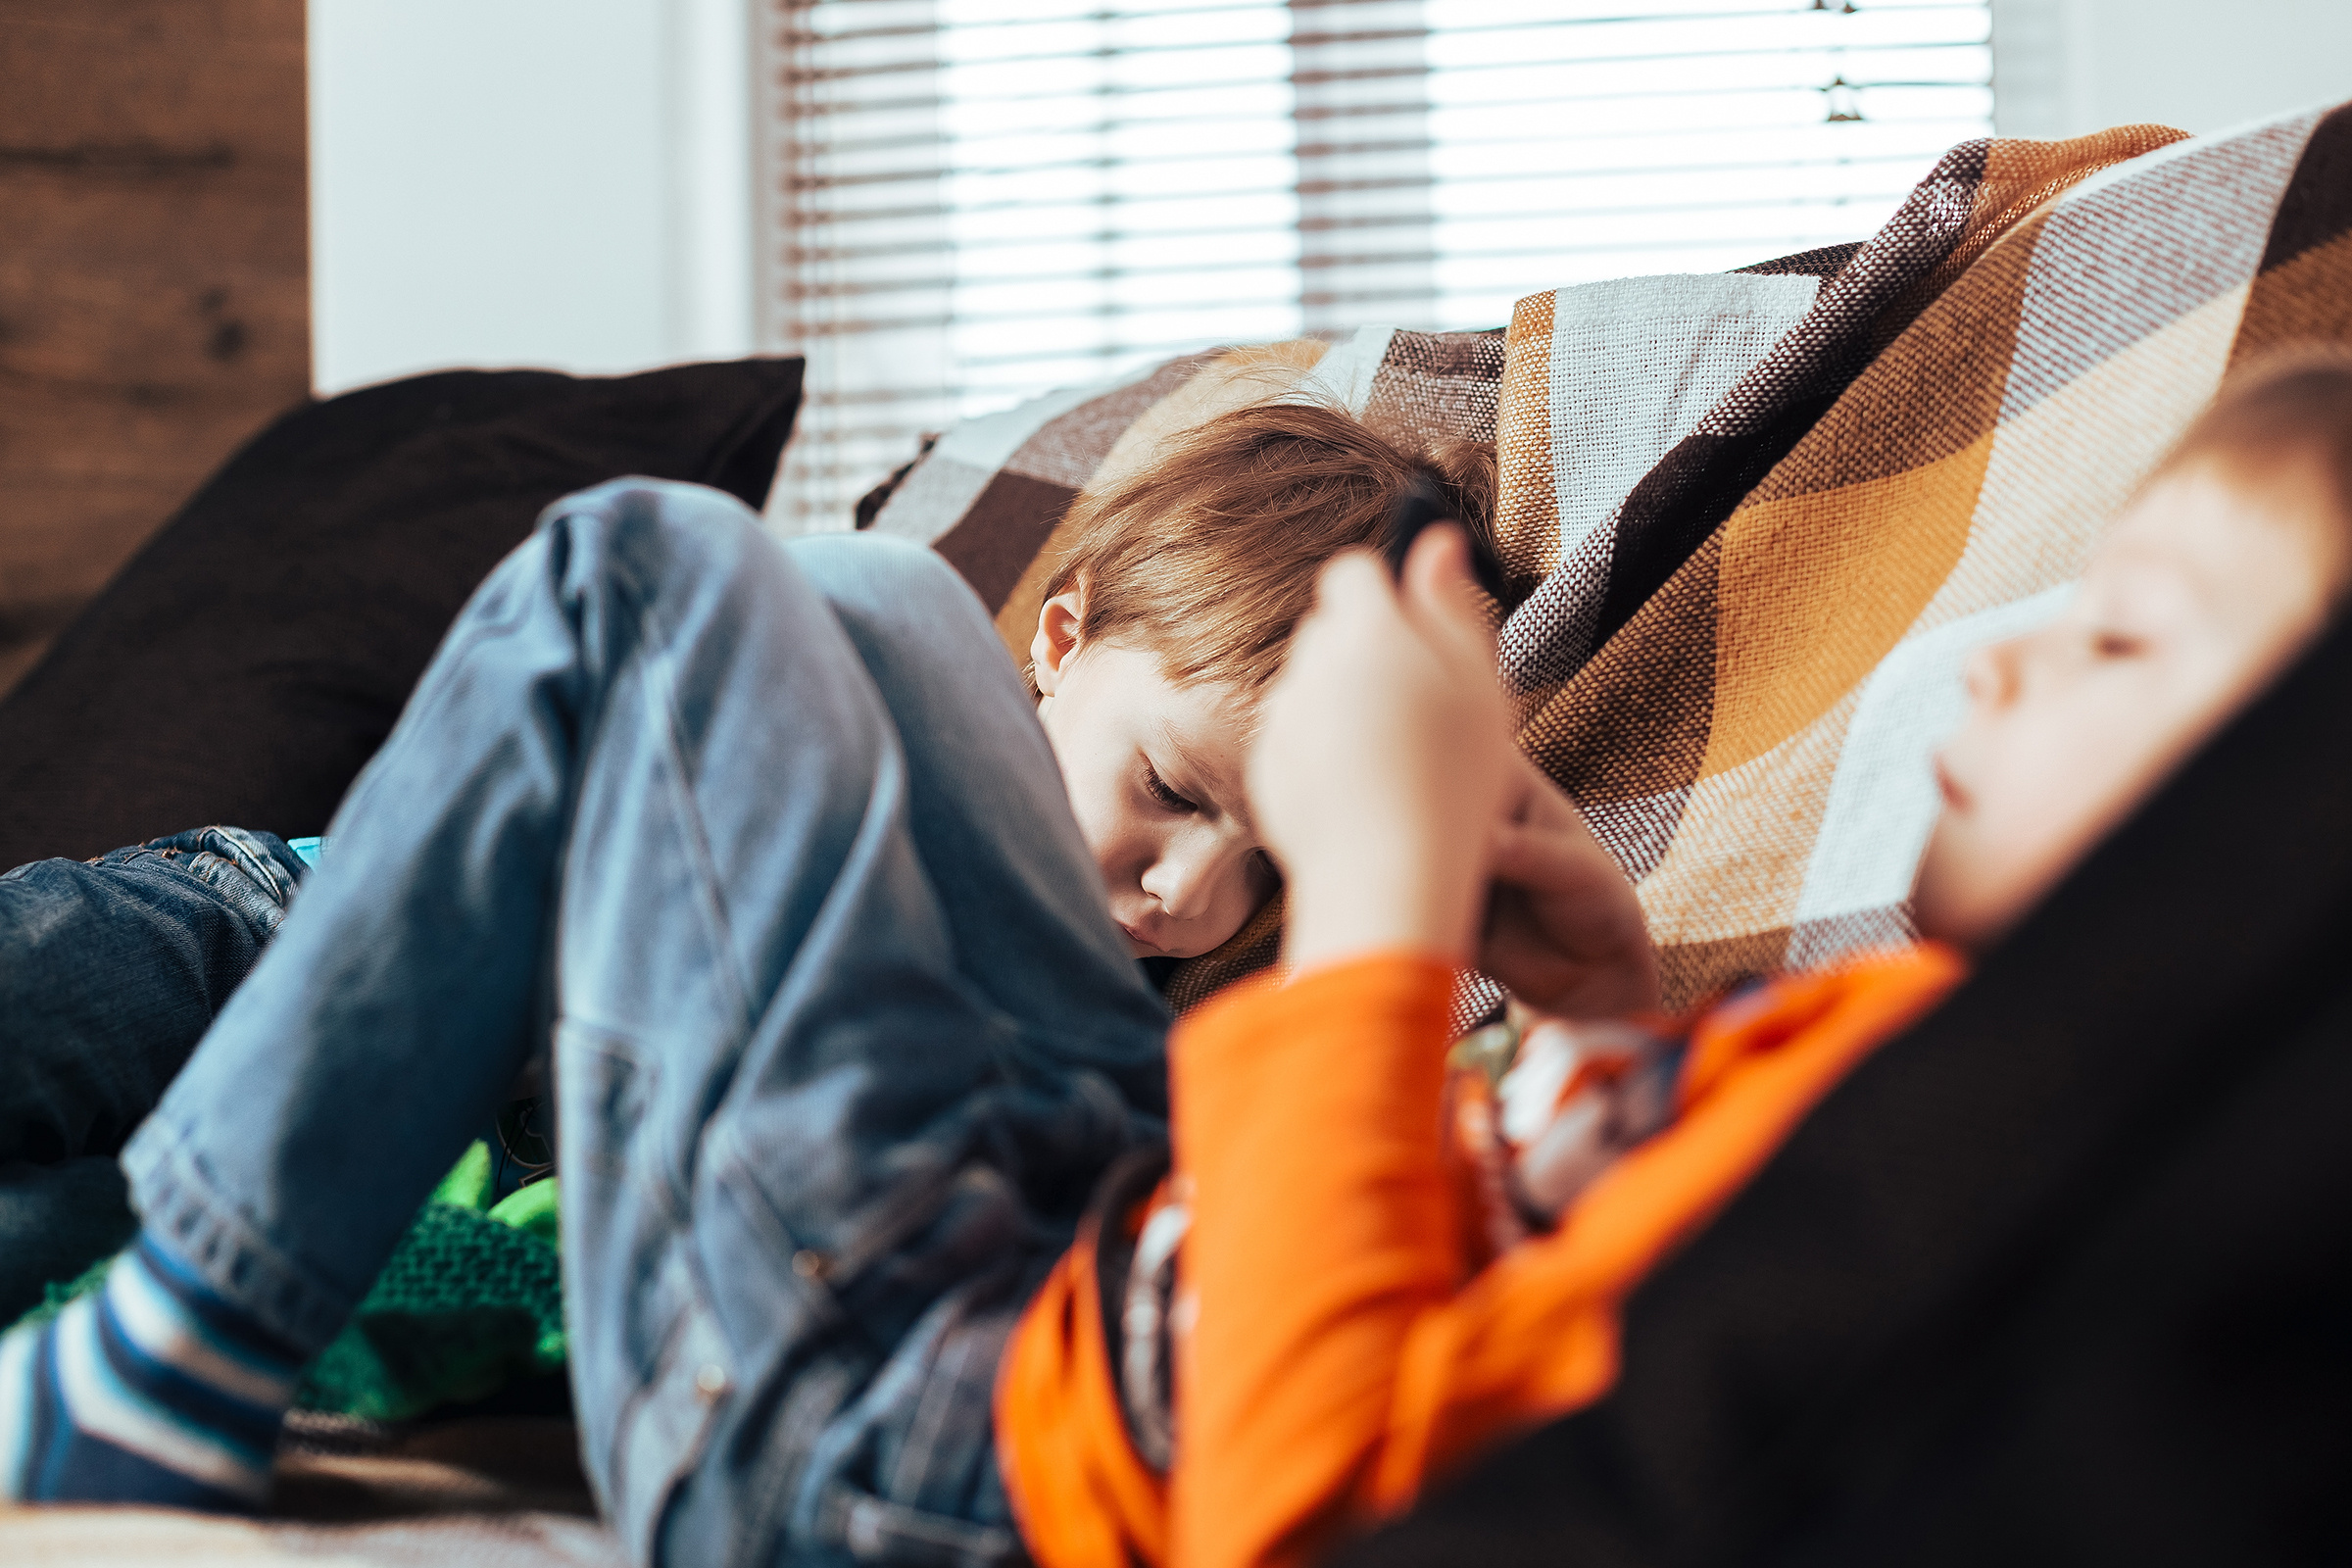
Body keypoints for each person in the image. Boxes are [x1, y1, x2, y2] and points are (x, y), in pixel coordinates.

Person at [0, 401, 1507, 1557]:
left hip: (469, 1176)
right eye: (1171, 790)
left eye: (1272, 869)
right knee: (868, 593)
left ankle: (160, 1358)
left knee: (51, 1230)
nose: (1196, 896)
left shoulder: (1135, 1047)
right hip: (300, 930)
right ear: (1062, 636)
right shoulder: (870, 730)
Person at [992, 350, 2352, 1568]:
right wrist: (1595, 1017)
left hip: (1029, 1452)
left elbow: (1313, 1514)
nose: (1997, 661)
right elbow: (1575, 1294)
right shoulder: (1885, 1025)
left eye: (2117, 640)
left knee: (881, 613)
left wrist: (1367, 911)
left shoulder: (1994, 1151)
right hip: (1069, 1335)